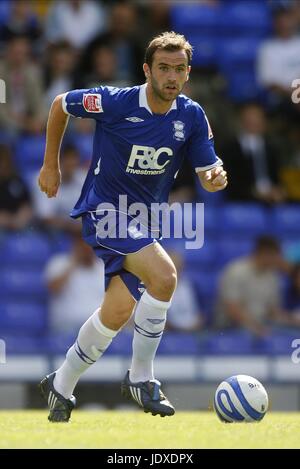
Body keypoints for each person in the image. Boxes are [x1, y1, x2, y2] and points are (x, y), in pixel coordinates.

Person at [37, 31, 228, 422]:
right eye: (163, 68)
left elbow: (208, 167)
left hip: (144, 222)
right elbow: (61, 104)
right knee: (166, 275)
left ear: (188, 74)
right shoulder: (115, 101)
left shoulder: (191, 115)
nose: (171, 77)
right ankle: (141, 377)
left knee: (118, 311)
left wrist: (213, 177)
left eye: (179, 69)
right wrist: (50, 165)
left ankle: (61, 384)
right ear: (147, 70)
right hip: (104, 212)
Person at [215, 236, 295, 337]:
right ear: (265, 254)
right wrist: (254, 327)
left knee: (290, 335)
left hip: (261, 325)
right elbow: (232, 308)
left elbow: (272, 310)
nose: (278, 259)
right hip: (231, 326)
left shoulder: (272, 276)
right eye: (275, 255)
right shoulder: (236, 271)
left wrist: (290, 320)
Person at [45, 232, 105, 334]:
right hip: (66, 328)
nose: (87, 248)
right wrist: (73, 264)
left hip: (98, 330)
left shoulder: (104, 268)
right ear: (76, 245)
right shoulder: (59, 263)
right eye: (83, 244)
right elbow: (53, 289)